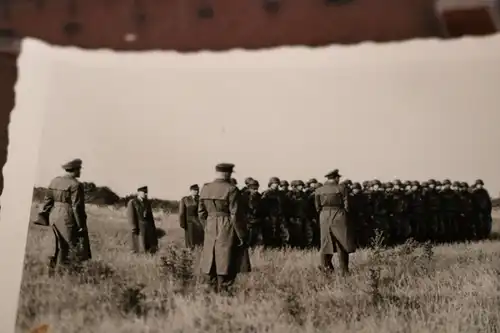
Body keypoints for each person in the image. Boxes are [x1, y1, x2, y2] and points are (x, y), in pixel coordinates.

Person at [198, 163, 251, 293]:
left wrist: (208, 226)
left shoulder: (205, 188)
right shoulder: (231, 189)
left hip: (210, 225)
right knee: (226, 260)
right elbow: (236, 215)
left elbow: (201, 212)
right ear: (228, 174)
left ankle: (210, 293)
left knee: (211, 260)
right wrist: (242, 235)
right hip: (227, 225)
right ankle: (224, 293)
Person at [36, 158, 91, 275]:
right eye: (79, 169)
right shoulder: (76, 184)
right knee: (70, 246)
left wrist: (44, 215)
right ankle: (66, 274)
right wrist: (81, 225)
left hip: (54, 214)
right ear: (74, 170)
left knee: (56, 246)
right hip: (68, 215)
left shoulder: (54, 181)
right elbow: (77, 206)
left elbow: (47, 200)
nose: (80, 172)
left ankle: (51, 273)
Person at [314, 169, 356, 275]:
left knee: (326, 243)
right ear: (336, 178)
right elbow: (347, 206)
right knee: (342, 242)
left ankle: (326, 268)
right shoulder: (342, 188)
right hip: (339, 215)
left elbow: (317, 207)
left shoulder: (319, 190)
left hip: (324, 216)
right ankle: (344, 270)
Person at [126, 186, 158, 254]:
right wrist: (133, 227)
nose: (145, 194)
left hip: (148, 227)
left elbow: (150, 216)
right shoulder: (133, 202)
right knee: (139, 245)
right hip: (138, 226)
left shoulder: (147, 203)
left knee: (148, 246)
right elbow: (130, 215)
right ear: (139, 193)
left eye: (146, 193)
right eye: (144, 192)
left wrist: (153, 228)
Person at [179, 184, 204, 249]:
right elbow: (181, 212)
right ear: (191, 191)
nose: (196, 191)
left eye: (197, 190)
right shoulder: (185, 199)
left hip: (199, 223)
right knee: (190, 241)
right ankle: (190, 253)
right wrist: (182, 223)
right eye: (195, 190)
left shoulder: (201, 199)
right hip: (189, 223)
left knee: (200, 241)